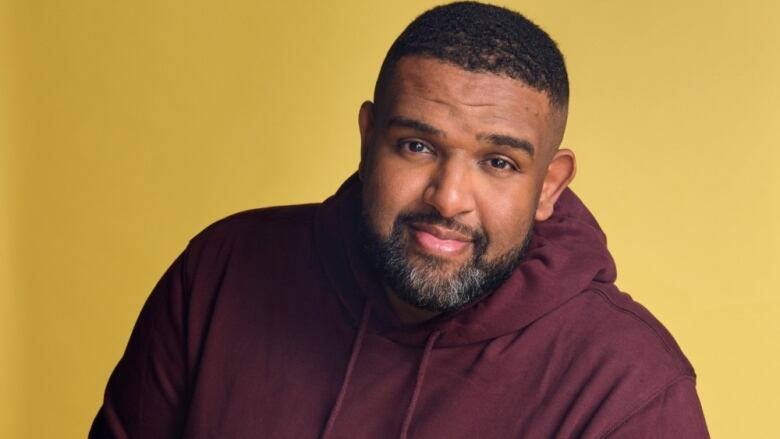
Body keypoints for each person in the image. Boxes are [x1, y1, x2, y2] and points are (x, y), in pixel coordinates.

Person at [89, 2, 709, 438]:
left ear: (549, 184)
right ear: (367, 138)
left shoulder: (630, 386)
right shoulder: (222, 273)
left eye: (498, 162)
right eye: (417, 146)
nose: (447, 198)